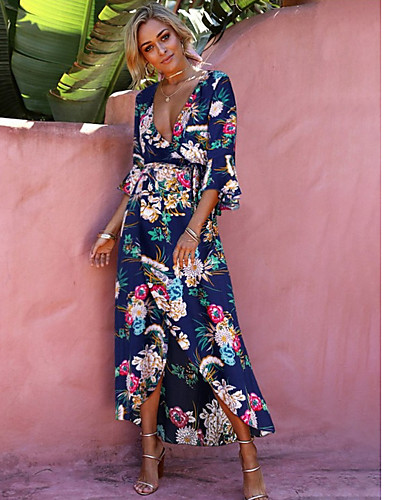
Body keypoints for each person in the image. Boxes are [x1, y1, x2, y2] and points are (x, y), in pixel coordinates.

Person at [89, 3, 275, 499]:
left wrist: (193, 232)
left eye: (164, 38)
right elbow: (138, 172)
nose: (160, 51)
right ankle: (151, 453)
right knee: (146, 343)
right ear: (142, 57)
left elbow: (220, 165)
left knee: (216, 339)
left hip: (190, 235)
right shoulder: (144, 100)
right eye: (148, 48)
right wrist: (110, 229)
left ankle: (249, 460)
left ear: (178, 32)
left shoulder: (216, 86)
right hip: (141, 237)